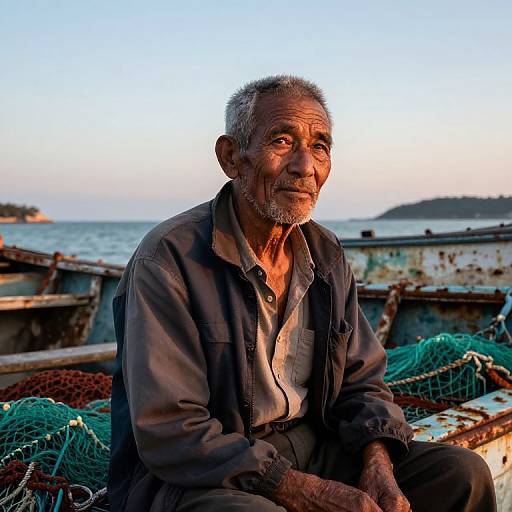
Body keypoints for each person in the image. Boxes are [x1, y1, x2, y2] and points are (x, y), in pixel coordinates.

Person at [108, 75, 496, 512]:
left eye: (320, 146)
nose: (305, 166)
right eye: (281, 141)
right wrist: (303, 491)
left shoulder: (325, 253)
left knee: (462, 476)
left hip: (311, 448)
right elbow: (171, 428)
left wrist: (377, 464)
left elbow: (361, 383)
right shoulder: (168, 259)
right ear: (231, 157)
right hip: (201, 474)